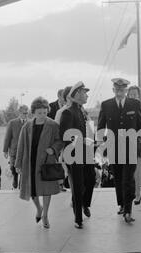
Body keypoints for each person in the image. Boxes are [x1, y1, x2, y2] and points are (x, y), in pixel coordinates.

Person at [97, 78, 141, 223]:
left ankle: (128, 210)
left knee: (128, 179)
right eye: (117, 88)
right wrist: (100, 145)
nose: (120, 91)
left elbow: (140, 126)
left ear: (126, 91)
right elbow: (100, 126)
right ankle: (122, 204)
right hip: (113, 148)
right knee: (118, 178)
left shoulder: (135, 104)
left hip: (131, 147)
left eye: (122, 89)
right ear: (113, 90)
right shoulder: (106, 105)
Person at [15, 97, 63, 229]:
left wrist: (53, 149)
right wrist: (18, 164)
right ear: (33, 112)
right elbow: (21, 146)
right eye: (39, 112)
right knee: (32, 191)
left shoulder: (53, 125)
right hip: (29, 162)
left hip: (46, 163)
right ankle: (39, 209)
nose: (42, 115)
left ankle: (46, 215)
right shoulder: (27, 126)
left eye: (45, 112)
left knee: (46, 190)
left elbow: (60, 141)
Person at [60, 81, 96, 229]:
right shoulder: (68, 112)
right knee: (77, 185)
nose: (87, 95)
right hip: (73, 154)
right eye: (84, 92)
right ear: (76, 95)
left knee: (91, 179)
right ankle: (78, 218)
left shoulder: (81, 110)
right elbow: (65, 135)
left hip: (85, 152)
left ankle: (84, 204)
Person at [3, 105, 29, 189]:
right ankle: (15, 178)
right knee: (13, 166)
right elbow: (7, 137)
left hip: (25, 151)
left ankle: (22, 182)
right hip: (14, 150)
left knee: (24, 167)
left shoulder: (30, 123)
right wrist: (5, 150)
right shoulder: (12, 123)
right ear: (20, 113)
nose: (26, 115)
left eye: (27, 113)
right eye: (24, 113)